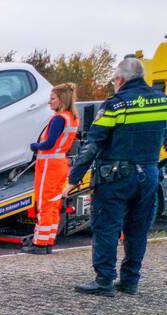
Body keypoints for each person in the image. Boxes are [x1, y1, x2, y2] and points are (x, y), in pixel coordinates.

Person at [68, 57, 167, 295]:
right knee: (138, 229)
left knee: (107, 227)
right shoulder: (162, 101)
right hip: (149, 175)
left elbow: (93, 144)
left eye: (114, 79)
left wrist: (73, 179)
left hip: (115, 177)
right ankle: (130, 280)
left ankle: (104, 280)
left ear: (120, 80)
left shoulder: (116, 104)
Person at [21, 83, 80, 254]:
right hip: (60, 163)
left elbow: (49, 143)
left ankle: (40, 243)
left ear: (61, 99)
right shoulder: (72, 118)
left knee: (44, 203)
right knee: (54, 204)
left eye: (52, 98)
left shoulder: (58, 119)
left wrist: (34, 146)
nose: (49, 102)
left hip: (49, 165)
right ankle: (47, 241)